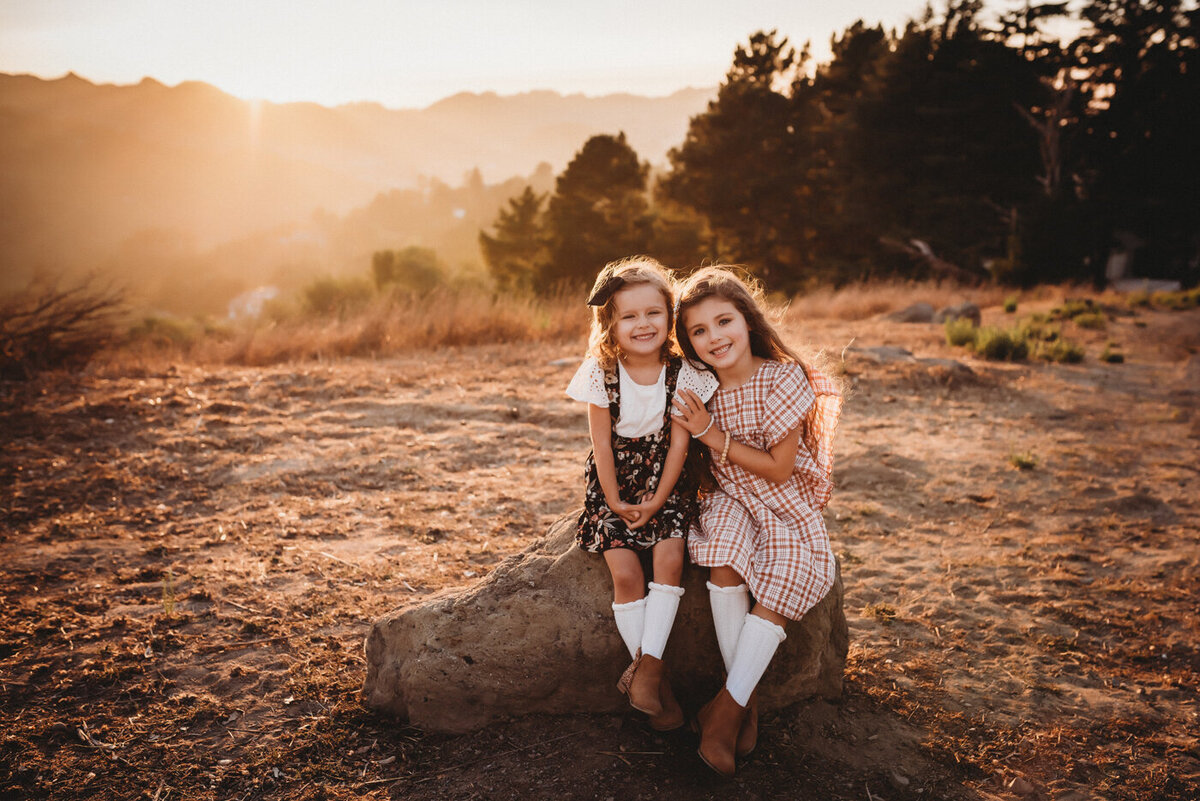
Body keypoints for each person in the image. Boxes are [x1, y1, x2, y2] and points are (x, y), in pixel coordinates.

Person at [670, 266, 842, 776]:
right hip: (730, 497)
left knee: (789, 568)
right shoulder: (698, 387)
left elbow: (779, 468)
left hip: (782, 497)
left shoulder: (781, 377)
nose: (714, 337)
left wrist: (709, 432)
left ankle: (724, 710)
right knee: (723, 556)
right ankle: (743, 700)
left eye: (724, 322)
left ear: (747, 320)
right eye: (699, 331)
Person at [566, 256, 718, 731]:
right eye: (628, 316)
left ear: (670, 317)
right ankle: (655, 683)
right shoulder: (600, 372)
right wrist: (612, 500)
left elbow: (679, 444)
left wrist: (657, 500)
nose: (643, 324)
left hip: (665, 485)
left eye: (653, 313)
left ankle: (648, 670)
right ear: (609, 324)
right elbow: (601, 446)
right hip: (613, 487)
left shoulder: (684, 374)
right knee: (627, 574)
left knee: (671, 558)